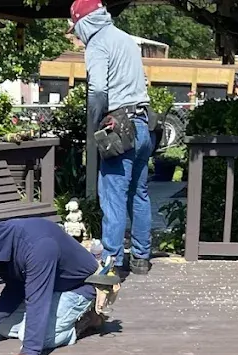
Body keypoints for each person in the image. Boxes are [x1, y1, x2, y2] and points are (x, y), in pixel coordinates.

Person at [0, 214, 104, 355]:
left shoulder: (39, 247)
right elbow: (15, 288)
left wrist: (30, 351)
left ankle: (86, 320)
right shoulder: (2, 247)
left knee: (40, 338)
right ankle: (48, 323)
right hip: (46, 287)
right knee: (2, 328)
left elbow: (38, 300)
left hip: (79, 287)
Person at [70, 0, 152, 277]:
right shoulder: (126, 39)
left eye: (76, 29)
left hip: (118, 126)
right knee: (138, 195)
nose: (77, 36)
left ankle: (111, 263)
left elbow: (97, 91)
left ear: (83, 23)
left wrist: (93, 125)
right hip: (143, 124)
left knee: (113, 197)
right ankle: (141, 258)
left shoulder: (97, 45)